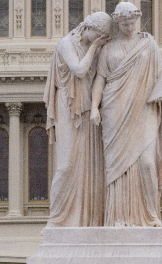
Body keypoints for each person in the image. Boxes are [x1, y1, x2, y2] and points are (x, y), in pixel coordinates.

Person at [90, 2, 162, 227]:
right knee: (116, 169)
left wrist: (160, 92)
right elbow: (100, 79)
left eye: (133, 23)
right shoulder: (108, 48)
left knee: (147, 164)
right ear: (117, 23)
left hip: (144, 108)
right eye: (125, 23)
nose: (130, 27)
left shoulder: (148, 45)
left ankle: (150, 216)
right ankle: (118, 218)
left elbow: (161, 76)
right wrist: (94, 107)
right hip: (114, 109)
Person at [44, 12, 112, 227]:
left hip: (86, 110)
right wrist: (95, 46)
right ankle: (57, 219)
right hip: (68, 106)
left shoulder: (97, 47)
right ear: (88, 28)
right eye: (98, 36)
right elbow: (80, 70)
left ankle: (84, 219)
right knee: (66, 165)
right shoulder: (66, 43)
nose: (98, 41)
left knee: (87, 166)